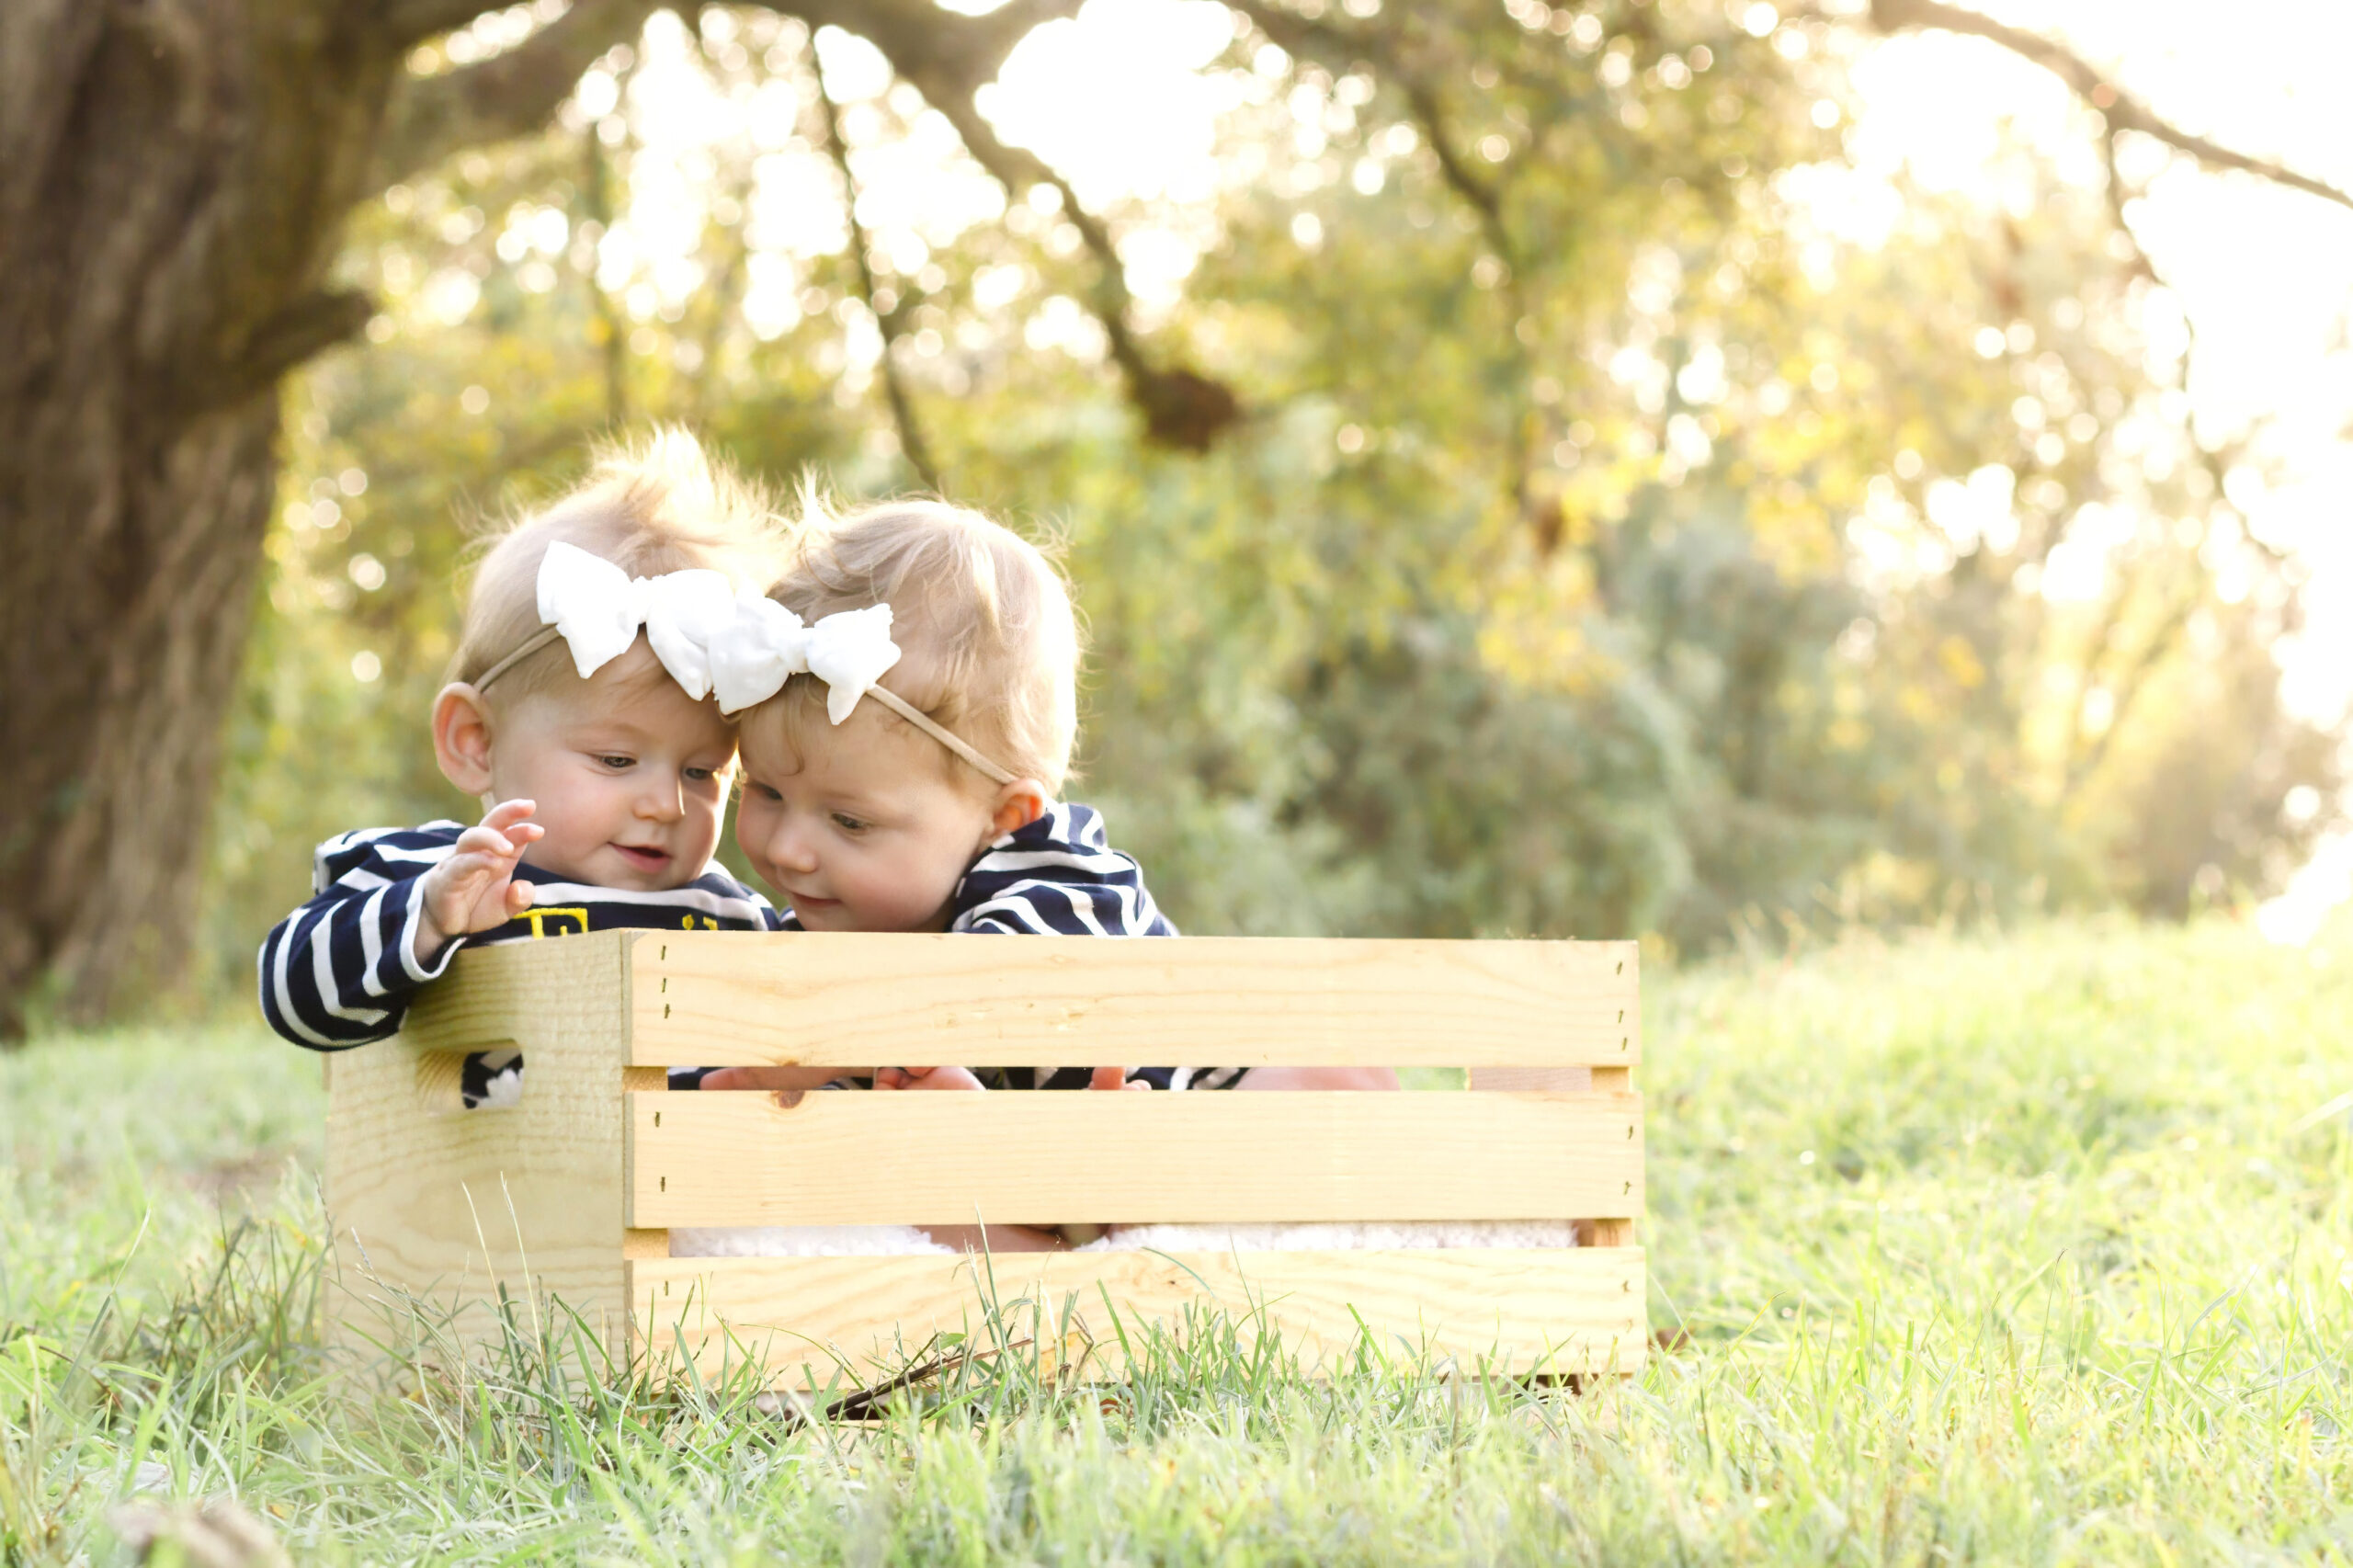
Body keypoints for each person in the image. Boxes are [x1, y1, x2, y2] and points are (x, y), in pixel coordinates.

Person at [697, 494, 1399, 1249]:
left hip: (1179, 1107)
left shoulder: (1051, 876)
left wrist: (846, 1045)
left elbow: (1010, 989)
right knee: (885, 1195)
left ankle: (1112, 1213)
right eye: (766, 791)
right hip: (1058, 1178)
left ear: (1006, 814)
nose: (791, 850)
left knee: (1331, 1080)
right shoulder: (820, 926)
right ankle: (1062, 1260)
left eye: (850, 821)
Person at [256, 429, 792, 1106]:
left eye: (702, 773)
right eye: (616, 759)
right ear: (476, 742)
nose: (667, 805)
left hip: (685, 1199)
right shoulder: (423, 875)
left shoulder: (726, 915)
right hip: (487, 1199)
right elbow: (290, 992)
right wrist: (425, 919)